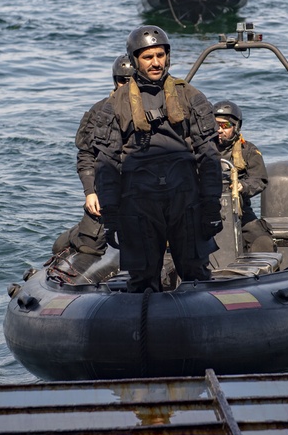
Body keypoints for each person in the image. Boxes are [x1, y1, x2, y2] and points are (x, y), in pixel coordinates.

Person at [94, 25, 223, 293]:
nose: (156, 62)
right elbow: (107, 164)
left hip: (185, 200)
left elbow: (208, 155)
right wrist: (111, 215)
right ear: (134, 60)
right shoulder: (116, 104)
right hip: (139, 204)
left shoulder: (190, 96)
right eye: (148, 57)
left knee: (196, 275)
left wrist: (211, 206)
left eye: (160, 55)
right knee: (141, 281)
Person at [52, 54, 136, 256]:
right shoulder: (99, 112)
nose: (127, 85)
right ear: (115, 80)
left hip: (143, 189)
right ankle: (74, 235)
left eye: (132, 80)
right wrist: (90, 192)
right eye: (122, 80)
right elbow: (86, 155)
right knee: (90, 246)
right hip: (107, 188)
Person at [213, 100, 276, 254]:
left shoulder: (248, 150)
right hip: (204, 209)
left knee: (263, 241)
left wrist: (243, 186)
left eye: (225, 126)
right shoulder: (201, 149)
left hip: (240, 211)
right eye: (216, 125)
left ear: (236, 127)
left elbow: (259, 179)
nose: (220, 130)